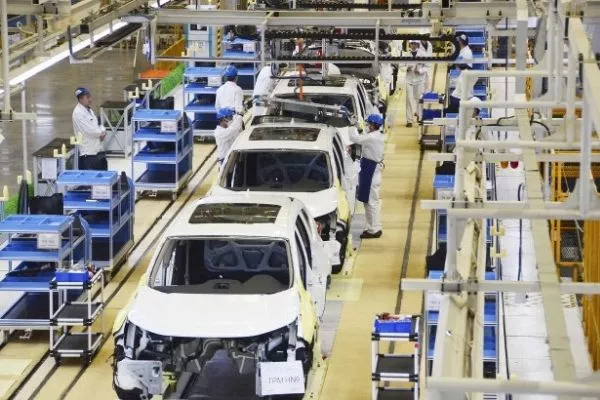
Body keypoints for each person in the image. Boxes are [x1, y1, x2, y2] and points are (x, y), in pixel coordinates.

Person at [348, 114, 386, 239]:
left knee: (371, 202)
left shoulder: (372, 137)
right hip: (370, 170)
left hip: (371, 172)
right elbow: (363, 136)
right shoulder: (375, 135)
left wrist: (351, 125)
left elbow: (354, 138)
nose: (367, 126)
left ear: (374, 125)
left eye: (368, 124)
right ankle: (373, 227)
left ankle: (374, 229)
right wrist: (358, 128)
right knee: (369, 202)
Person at [72, 87, 107, 170]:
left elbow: (98, 125)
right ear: (80, 99)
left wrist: (102, 131)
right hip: (88, 155)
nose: (90, 99)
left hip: (97, 151)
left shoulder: (89, 110)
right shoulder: (78, 113)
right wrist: (102, 132)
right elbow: (93, 131)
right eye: (87, 97)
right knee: (88, 181)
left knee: (102, 180)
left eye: (90, 96)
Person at [447, 33, 475, 113]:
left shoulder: (466, 52)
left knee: (456, 104)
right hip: (462, 82)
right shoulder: (463, 51)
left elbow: (464, 66)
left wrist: (453, 62)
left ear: (460, 42)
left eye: (457, 41)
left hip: (465, 84)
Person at [405, 40, 428, 127]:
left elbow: (427, 66)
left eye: (415, 44)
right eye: (412, 44)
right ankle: (409, 120)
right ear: (410, 45)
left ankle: (420, 117)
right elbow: (401, 66)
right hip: (409, 81)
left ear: (417, 45)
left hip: (420, 80)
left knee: (419, 100)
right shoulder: (406, 55)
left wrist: (420, 71)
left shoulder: (423, 54)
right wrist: (407, 68)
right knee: (409, 100)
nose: (413, 45)